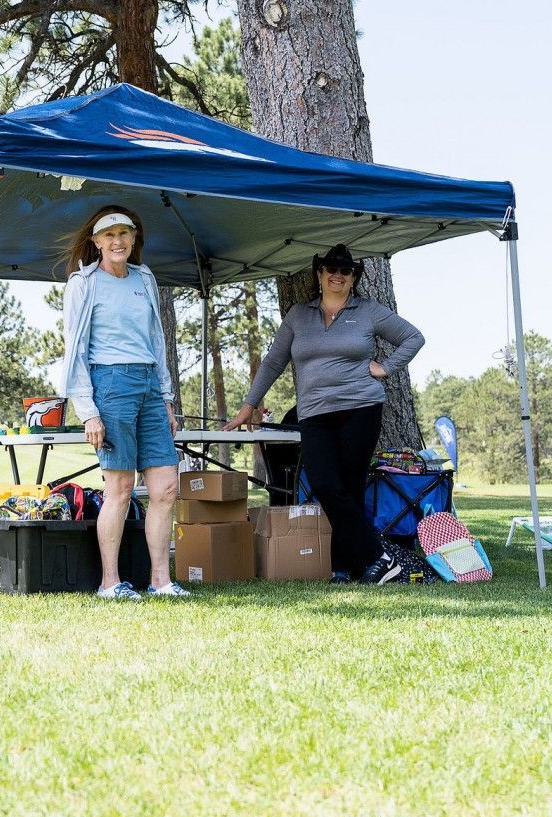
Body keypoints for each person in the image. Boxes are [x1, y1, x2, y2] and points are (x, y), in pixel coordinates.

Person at [224, 243, 424, 584]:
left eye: (345, 270)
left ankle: (348, 567)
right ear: (319, 274)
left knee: (351, 487)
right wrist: (247, 407)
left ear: (354, 277)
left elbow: (413, 337)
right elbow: (273, 362)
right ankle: (378, 557)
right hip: (314, 413)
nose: (337, 275)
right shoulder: (299, 315)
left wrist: (387, 368)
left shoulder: (369, 310)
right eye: (331, 268)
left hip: (361, 408)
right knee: (325, 485)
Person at [59, 206, 189, 600]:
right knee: (120, 487)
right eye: (109, 235)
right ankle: (110, 582)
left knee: (166, 487)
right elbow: (75, 349)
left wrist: (166, 398)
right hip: (110, 384)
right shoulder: (83, 284)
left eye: (125, 234)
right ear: (96, 241)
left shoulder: (144, 278)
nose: (118, 241)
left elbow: (157, 341)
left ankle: (161, 581)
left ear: (134, 239)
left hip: (150, 385)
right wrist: (89, 411)